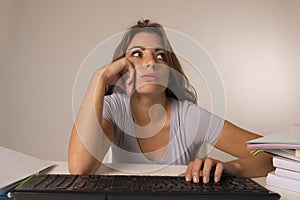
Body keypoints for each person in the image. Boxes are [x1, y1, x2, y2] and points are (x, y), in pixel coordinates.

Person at [68, 19, 274, 183]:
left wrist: (232, 167)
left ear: (169, 72)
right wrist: (99, 78)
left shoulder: (189, 117)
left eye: (160, 56)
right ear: (122, 67)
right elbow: (79, 168)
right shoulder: (113, 109)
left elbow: (272, 155)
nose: (150, 62)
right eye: (138, 54)